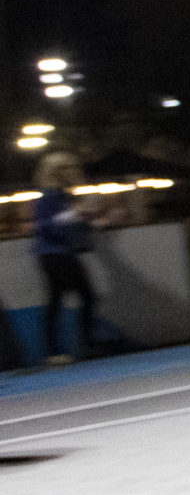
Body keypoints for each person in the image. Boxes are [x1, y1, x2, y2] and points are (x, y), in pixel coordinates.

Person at [32, 151, 100, 363]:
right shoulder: (49, 197)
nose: (75, 172)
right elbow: (46, 226)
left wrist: (87, 218)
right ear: (58, 172)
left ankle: (56, 351)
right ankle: (84, 345)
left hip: (57, 254)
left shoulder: (62, 196)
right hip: (55, 255)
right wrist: (75, 215)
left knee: (58, 300)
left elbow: (68, 225)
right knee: (84, 296)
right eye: (70, 168)